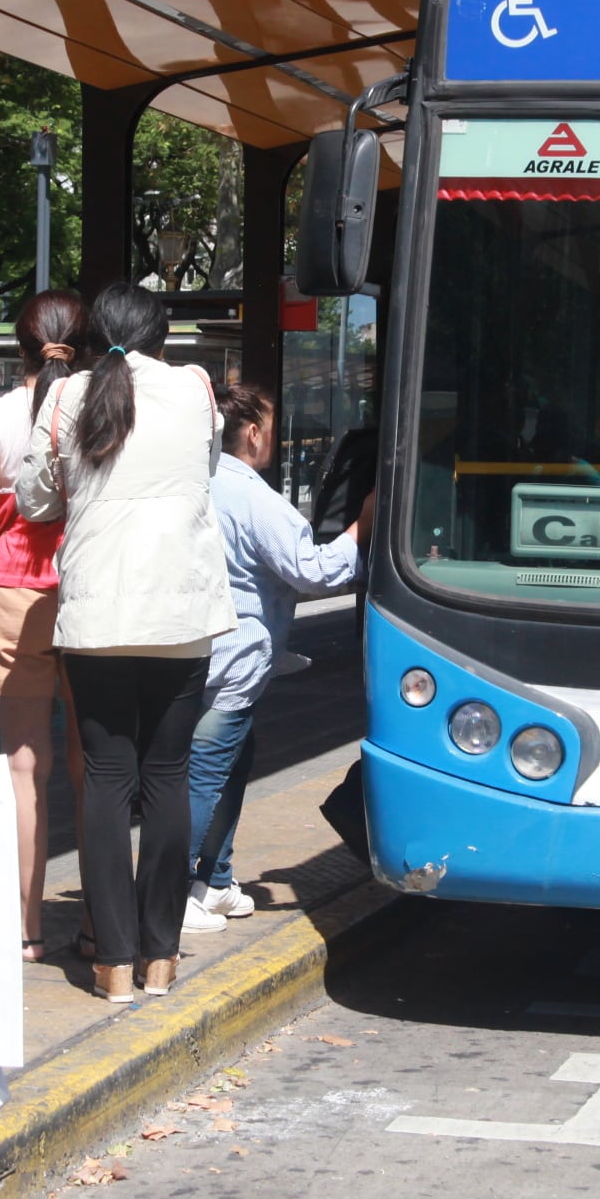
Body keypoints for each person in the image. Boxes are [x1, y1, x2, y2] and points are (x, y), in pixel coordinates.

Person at [13, 283, 233, 1002]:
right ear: (161, 338)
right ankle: (160, 956)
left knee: (107, 778)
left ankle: (111, 962)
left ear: (92, 337)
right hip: (182, 611)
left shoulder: (64, 396)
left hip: (97, 614)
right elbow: (204, 472)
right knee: (167, 773)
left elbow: (35, 501)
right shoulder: (195, 388)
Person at [182, 385, 368, 937]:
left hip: (192, 652)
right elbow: (312, 570)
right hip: (233, 661)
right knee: (206, 773)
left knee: (232, 763)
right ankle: (171, 892)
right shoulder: (249, 494)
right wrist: (363, 524)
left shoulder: (192, 481)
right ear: (253, 433)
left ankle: (213, 878)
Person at [0, 288, 88, 961]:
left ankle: (26, 930)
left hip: (12, 598)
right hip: (89, 593)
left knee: (23, 767)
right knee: (93, 764)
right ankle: (99, 922)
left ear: (21, 348)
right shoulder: (102, 408)